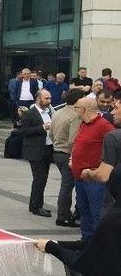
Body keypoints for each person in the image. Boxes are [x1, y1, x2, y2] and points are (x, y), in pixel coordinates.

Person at [71, 96, 114, 239]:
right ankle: (86, 242)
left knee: (97, 213)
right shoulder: (83, 124)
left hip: (94, 179)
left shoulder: (103, 125)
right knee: (84, 212)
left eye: (76, 107)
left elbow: (113, 146)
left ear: (83, 109)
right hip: (80, 177)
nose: (75, 110)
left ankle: (99, 245)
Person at [51, 89, 89, 228]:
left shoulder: (58, 112)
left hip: (57, 151)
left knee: (66, 185)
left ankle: (65, 213)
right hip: (67, 153)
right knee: (67, 186)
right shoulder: (75, 116)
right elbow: (73, 140)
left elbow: (51, 133)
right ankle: (63, 215)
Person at [20, 89, 55, 217]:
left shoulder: (49, 112)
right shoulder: (30, 113)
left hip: (47, 148)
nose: (49, 101)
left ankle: (34, 204)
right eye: (46, 98)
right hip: (35, 150)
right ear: (38, 98)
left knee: (43, 179)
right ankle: (36, 206)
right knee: (39, 179)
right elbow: (24, 131)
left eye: (50, 98)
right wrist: (42, 128)